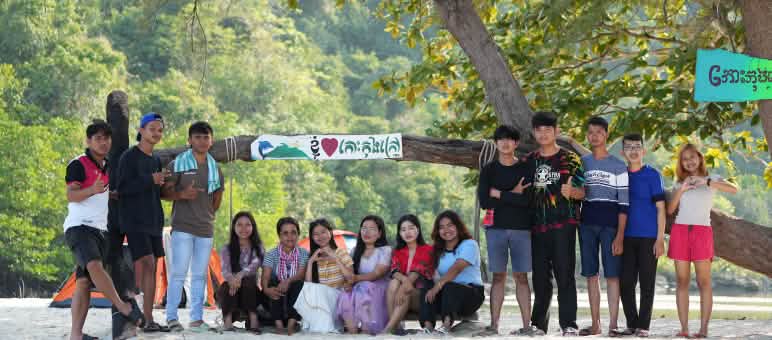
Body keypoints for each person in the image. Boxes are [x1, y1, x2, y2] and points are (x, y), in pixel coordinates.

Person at [64, 120, 144, 340]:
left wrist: (108, 194)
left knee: (83, 282)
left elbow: (99, 193)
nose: (103, 143)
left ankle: (76, 335)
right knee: (95, 266)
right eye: (97, 138)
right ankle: (123, 307)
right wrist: (93, 189)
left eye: (106, 138)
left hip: (100, 231)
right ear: (88, 141)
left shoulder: (108, 166)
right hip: (80, 228)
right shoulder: (78, 164)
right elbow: (71, 195)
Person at [667, 143, 738, 338]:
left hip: (702, 232)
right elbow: (670, 210)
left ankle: (704, 328)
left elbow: (733, 189)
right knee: (682, 281)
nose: (689, 161)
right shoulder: (678, 183)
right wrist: (681, 189)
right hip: (681, 231)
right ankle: (684, 329)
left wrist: (706, 183)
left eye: (692, 157)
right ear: (681, 163)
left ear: (699, 158)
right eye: (685, 159)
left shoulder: (711, 179)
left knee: (704, 282)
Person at [525, 111, 585, 336]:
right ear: (534, 133)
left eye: (548, 130)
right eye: (539, 130)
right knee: (540, 277)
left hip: (564, 224)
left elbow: (584, 192)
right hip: (536, 225)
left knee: (565, 274)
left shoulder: (571, 159)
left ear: (556, 132)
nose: (543, 134)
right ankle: (538, 325)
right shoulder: (528, 161)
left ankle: (569, 324)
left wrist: (573, 192)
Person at [162, 121, 224, 332]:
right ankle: (171, 317)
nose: (202, 141)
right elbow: (164, 192)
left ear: (211, 140)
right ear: (189, 140)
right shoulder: (176, 164)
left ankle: (196, 318)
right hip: (182, 226)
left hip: (205, 228)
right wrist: (181, 195)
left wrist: (208, 214)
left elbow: (217, 196)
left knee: (199, 275)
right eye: (197, 137)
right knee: (178, 273)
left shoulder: (215, 167)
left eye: (206, 137)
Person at [476, 125, 536, 336]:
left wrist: (499, 194)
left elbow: (528, 201)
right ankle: (494, 325)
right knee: (498, 276)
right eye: (501, 139)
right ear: (496, 143)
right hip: (496, 229)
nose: (505, 142)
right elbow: (484, 201)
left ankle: (527, 326)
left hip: (522, 229)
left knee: (521, 277)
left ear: (516, 143)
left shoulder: (525, 168)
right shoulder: (489, 170)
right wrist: (513, 194)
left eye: (510, 139)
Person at [116, 112, 169, 332]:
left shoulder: (156, 159)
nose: (156, 133)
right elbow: (122, 189)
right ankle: (142, 316)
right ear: (141, 130)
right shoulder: (129, 157)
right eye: (152, 129)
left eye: (160, 130)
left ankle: (148, 318)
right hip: (134, 220)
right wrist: (150, 180)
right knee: (146, 261)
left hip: (153, 220)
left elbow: (156, 192)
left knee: (153, 266)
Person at [578, 116, 629, 337]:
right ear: (587, 136)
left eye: (599, 132)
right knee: (591, 275)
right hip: (587, 224)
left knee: (612, 276)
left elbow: (624, 204)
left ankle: (613, 325)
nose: (594, 136)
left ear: (606, 134)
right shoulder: (584, 162)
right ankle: (596, 324)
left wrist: (620, 235)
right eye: (590, 132)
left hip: (610, 226)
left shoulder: (618, 165)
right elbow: (578, 192)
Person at [619, 133, 666, 338]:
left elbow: (661, 209)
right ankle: (631, 323)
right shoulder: (620, 175)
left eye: (637, 146)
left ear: (643, 151)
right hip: (626, 237)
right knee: (626, 282)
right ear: (623, 152)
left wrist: (660, 238)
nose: (633, 150)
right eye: (629, 147)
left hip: (649, 237)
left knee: (647, 283)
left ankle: (643, 326)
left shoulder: (653, 175)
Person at [423, 210, 485, 335]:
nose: (446, 230)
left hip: (471, 295)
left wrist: (438, 285)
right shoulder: (438, 251)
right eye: (441, 227)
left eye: (450, 225)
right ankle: (428, 327)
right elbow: (431, 273)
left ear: (458, 226)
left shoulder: (469, 244)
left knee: (449, 286)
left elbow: (457, 268)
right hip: (447, 295)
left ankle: (446, 326)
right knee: (427, 287)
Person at [294, 218, 354, 333]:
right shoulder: (314, 256)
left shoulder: (341, 253)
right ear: (312, 237)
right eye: (315, 234)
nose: (320, 236)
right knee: (311, 289)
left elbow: (351, 279)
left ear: (330, 233)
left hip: (338, 297)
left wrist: (335, 258)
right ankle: (323, 328)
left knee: (317, 290)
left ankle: (322, 327)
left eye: (323, 232)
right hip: (321, 299)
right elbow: (309, 286)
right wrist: (311, 261)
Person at [336, 215, 392, 334]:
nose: (367, 232)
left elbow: (377, 273)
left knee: (364, 288)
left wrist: (355, 279)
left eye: (372, 229)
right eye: (364, 228)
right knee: (345, 294)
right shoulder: (355, 251)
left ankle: (367, 329)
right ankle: (353, 331)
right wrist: (349, 283)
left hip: (379, 288)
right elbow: (350, 273)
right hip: (359, 286)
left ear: (379, 233)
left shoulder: (385, 250)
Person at [382, 214, 435, 335]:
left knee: (405, 289)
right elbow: (394, 271)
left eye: (411, 228)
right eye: (403, 229)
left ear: (418, 229)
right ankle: (394, 326)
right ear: (399, 233)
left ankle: (388, 330)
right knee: (394, 282)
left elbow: (417, 272)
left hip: (422, 298)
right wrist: (404, 281)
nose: (407, 232)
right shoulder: (398, 251)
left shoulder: (427, 249)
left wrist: (404, 285)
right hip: (401, 297)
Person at [218, 212, 265, 334]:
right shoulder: (226, 249)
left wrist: (239, 275)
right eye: (239, 225)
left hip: (251, 293)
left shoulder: (258, 247)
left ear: (253, 227)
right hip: (232, 292)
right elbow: (225, 270)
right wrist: (232, 280)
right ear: (234, 228)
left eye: (247, 225)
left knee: (248, 281)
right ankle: (227, 323)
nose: (243, 228)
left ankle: (253, 321)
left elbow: (254, 266)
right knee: (225, 286)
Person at [262, 217, 308, 335]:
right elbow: (265, 278)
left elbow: (301, 274)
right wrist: (267, 290)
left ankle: (291, 324)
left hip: (293, 295)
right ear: (279, 236)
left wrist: (287, 281)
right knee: (272, 282)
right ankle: (279, 325)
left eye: (293, 232)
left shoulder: (304, 253)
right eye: (285, 233)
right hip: (276, 297)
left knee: (299, 284)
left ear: (298, 234)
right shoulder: (271, 254)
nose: (290, 236)